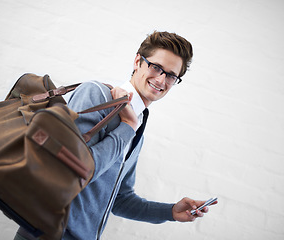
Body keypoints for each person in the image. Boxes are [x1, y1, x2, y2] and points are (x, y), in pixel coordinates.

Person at [14, 31, 216, 240]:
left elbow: (120, 199)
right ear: (138, 61)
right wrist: (127, 126)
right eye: (156, 67)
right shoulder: (96, 95)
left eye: (172, 75)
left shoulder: (136, 131)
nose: (162, 79)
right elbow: (72, 172)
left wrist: (170, 211)